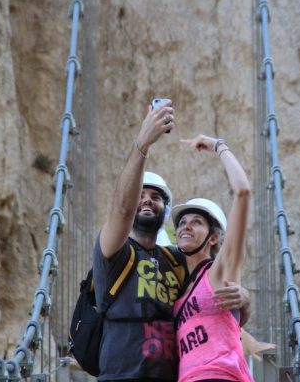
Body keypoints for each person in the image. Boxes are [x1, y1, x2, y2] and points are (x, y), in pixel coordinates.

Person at [92, 102, 250, 381]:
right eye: (141, 194)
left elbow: (215, 309)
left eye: (156, 197)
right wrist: (142, 144)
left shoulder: (178, 262)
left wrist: (245, 301)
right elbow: (121, 210)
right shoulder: (115, 251)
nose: (147, 201)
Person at [172, 134, 255, 382]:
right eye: (182, 222)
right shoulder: (178, 288)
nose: (186, 227)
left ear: (213, 238)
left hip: (221, 376)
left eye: (196, 222)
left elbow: (242, 192)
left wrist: (218, 146)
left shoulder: (219, 271)